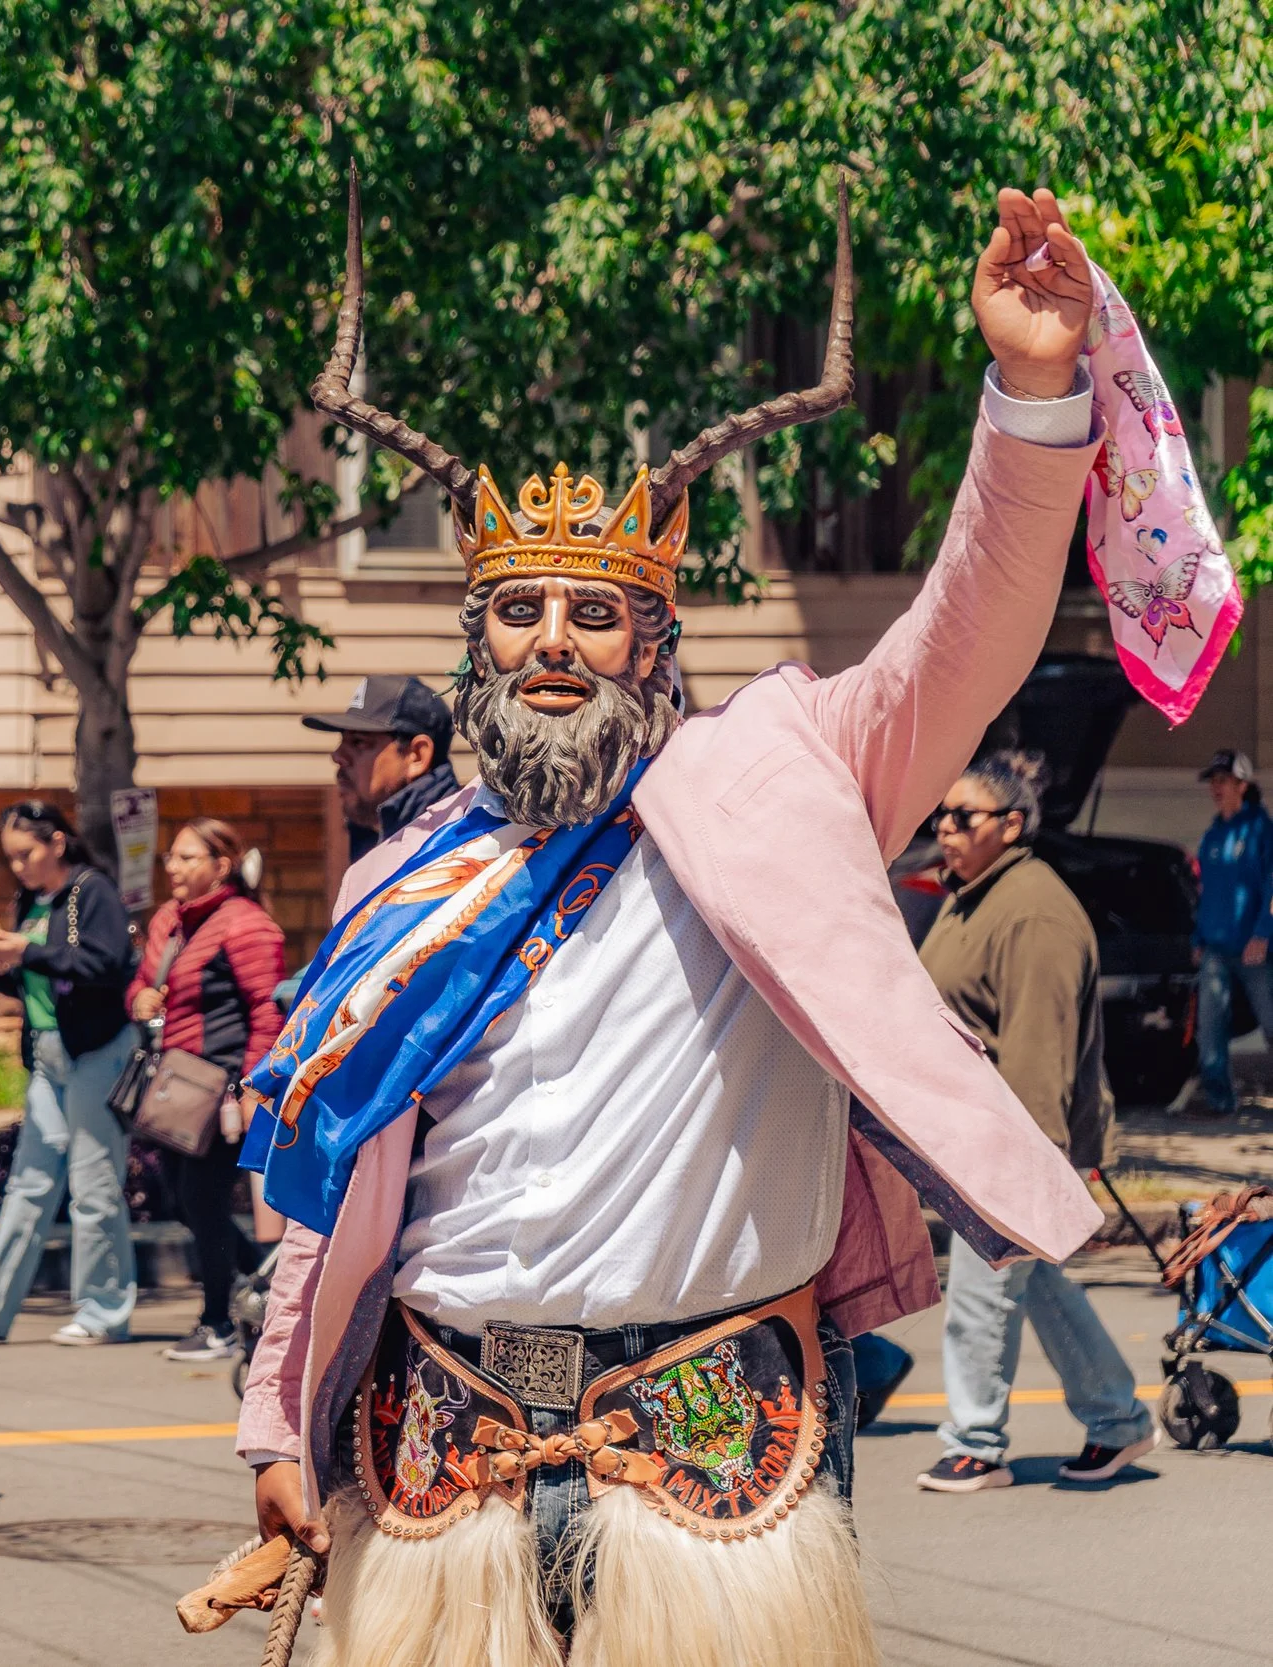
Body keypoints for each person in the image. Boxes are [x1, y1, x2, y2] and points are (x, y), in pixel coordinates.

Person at [237, 185, 1113, 1667]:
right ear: (479, 646)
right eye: (523, 612)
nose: (558, 642)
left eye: (597, 611)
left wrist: (1031, 392)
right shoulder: (408, 879)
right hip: (444, 1447)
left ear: (654, 636)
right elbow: (334, 1183)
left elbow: (972, 624)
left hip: (716, 1440)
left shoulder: (792, 767)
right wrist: (272, 1412)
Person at [916, 752, 1154, 1491]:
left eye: (965, 816)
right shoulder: (974, 895)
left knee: (984, 1288)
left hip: (1012, 1139)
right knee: (1035, 1283)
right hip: (973, 1133)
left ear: (1012, 825)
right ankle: (1118, 1418)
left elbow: (1040, 1051)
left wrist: (1025, 1160)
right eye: (943, 815)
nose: (947, 828)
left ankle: (975, 1440)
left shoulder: (1034, 912)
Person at [0, 800, 140, 1345]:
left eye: (26, 854)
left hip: (95, 1051)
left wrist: (29, 950)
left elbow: (104, 963)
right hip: (48, 1054)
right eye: (12, 858)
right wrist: (5, 967)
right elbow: (34, 979)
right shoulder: (32, 900)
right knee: (28, 1182)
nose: (19, 866)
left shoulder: (92, 891)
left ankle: (103, 1312)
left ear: (57, 843)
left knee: (94, 1187)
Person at [126, 819, 286, 1363]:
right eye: (170, 857)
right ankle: (261, 1282)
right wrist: (140, 999)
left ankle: (217, 1319)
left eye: (186, 858)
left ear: (221, 866)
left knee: (203, 1198)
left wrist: (253, 1086)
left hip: (221, 1089)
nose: (171, 867)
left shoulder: (247, 925)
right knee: (181, 1200)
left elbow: (266, 1010)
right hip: (176, 1084)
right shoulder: (171, 921)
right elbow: (144, 981)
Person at [1187, 749, 1273, 1118]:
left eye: (1223, 781)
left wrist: (1263, 934)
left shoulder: (1261, 830)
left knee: (1271, 1023)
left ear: (1243, 785)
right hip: (1215, 949)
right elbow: (1206, 893)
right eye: (1213, 782)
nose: (1216, 788)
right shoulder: (1212, 835)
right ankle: (1219, 1100)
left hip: (1255, 950)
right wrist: (1198, 939)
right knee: (1210, 1025)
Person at [306, 674, 459, 863]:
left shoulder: (455, 847)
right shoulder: (371, 832)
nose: (337, 756)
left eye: (359, 742)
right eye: (342, 741)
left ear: (417, 755)